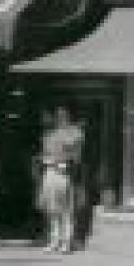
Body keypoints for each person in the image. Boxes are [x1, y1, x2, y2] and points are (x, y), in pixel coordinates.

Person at [36, 107, 85, 254]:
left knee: (66, 210)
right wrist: (43, 160)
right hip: (50, 171)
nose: (60, 117)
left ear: (69, 115)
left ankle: (66, 242)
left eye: (63, 114)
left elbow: (77, 155)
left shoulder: (75, 132)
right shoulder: (49, 134)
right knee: (52, 210)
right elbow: (45, 153)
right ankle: (54, 240)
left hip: (65, 173)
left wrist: (67, 162)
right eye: (57, 114)